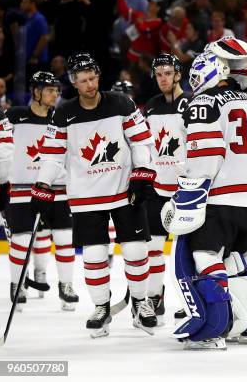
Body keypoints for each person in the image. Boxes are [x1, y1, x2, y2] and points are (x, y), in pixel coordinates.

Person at [160, 49, 247, 349]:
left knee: (206, 256)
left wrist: (190, 190)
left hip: (220, 197)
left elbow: (206, 153)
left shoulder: (203, 102)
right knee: (246, 257)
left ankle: (215, 327)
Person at [32, 53, 158, 338]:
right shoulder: (63, 112)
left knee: (136, 249)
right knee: (94, 254)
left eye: (93, 78)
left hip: (124, 190)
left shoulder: (122, 103)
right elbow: (52, 156)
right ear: (74, 83)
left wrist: (142, 173)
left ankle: (140, 303)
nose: (89, 85)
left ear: (98, 77)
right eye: (83, 80)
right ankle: (101, 307)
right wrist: (42, 184)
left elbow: (141, 141)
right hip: (86, 195)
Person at [0, 72, 79, 311]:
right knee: (21, 240)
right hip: (22, 189)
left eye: (57, 90)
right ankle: (17, 284)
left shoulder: (62, 117)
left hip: (57, 188)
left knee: (65, 239)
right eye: (50, 89)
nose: (55, 94)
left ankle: (66, 285)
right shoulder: (14, 116)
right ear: (36, 91)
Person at [143, 53, 190, 324]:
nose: (163, 78)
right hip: (158, 189)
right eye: (158, 73)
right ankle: (153, 297)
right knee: (154, 248)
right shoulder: (151, 106)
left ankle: (190, 298)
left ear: (178, 74)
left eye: (167, 73)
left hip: (187, 190)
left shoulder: (191, 104)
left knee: (189, 250)